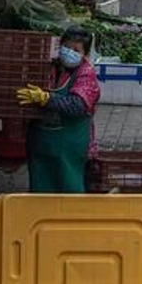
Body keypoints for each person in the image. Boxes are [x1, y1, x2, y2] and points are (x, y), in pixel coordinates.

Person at [16, 26, 100, 192]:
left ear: (85, 54)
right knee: (40, 187)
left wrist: (46, 99)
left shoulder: (86, 75)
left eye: (76, 50)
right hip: (41, 142)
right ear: (60, 45)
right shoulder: (48, 67)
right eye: (67, 47)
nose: (69, 52)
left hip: (69, 145)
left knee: (68, 187)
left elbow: (78, 106)